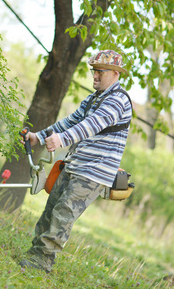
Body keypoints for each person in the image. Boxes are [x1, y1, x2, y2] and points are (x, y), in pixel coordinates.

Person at [19, 50, 133, 273]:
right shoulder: (93, 98)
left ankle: (42, 262)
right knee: (51, 209)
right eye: (94, 71)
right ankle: (35, 254)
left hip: (94, 172)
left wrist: (62, 139)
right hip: (75, 164)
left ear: (115, 73)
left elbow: (92, 124)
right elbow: (69, 122)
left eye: (100, 71)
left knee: (64, 212)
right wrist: (39, 137)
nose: (95, 76)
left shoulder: (119, 100)